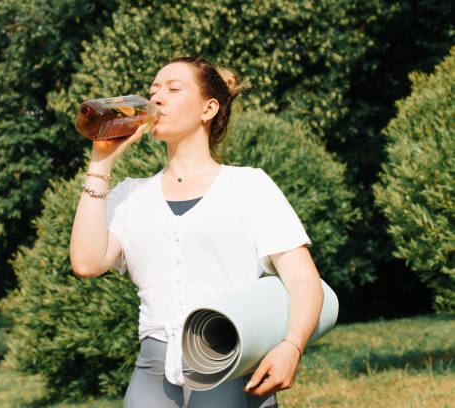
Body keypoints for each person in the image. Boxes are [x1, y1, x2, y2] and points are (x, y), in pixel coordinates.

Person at [69, 57, 324, 408]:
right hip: (153, 372)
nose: (157, 98)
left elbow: (304, 280)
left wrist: (291, 346)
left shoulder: (250, 185)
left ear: (209, 108)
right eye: (153, 91)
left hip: (231, 363)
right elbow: (86, 262)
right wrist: (101, 161)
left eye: (173, 89)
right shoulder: (130, 195)